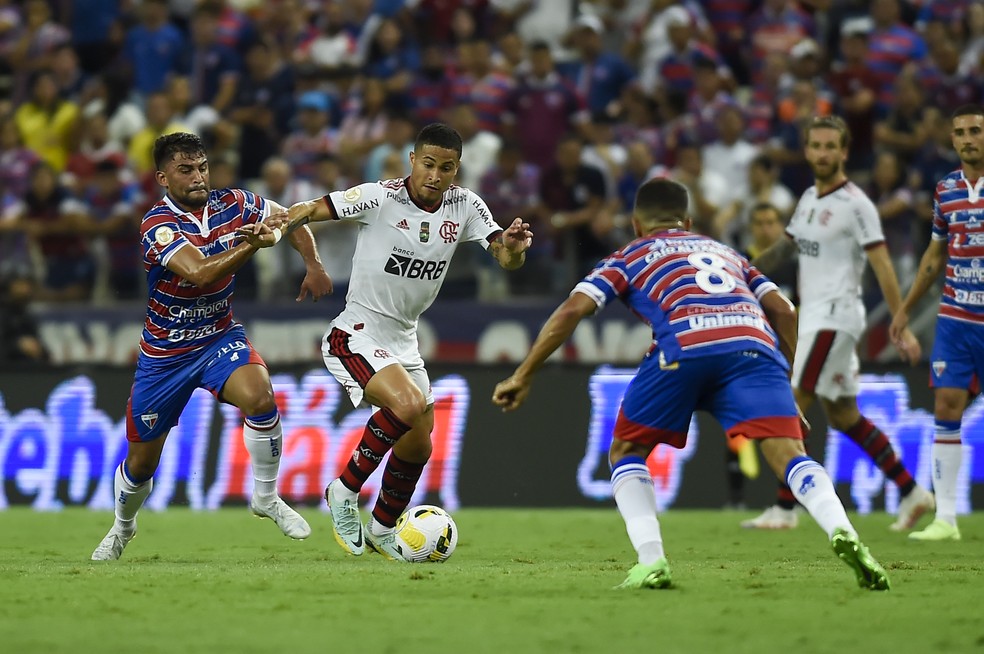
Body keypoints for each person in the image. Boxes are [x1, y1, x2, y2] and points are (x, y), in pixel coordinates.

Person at [491, 177, 889, 591]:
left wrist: (524, 373)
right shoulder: (726, 252)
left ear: (636, 224)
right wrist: (786, 386)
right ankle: (843, 529)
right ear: (688, 220)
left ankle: (652, 560)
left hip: (684, 347)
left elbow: (574, 309)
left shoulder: (630, 254)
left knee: (627, 450)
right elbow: (785, 312)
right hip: (753, 347)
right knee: (789, 453)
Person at [281, 123, 533, 560]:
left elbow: (505, 257)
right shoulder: (380, 197)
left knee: (419, 442)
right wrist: (281, 220)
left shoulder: (466, 205)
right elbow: (313, 208)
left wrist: (513, 247)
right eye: (429, 164)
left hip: (404, 339)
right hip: (355, 332)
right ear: (412, 160)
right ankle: (343, 491)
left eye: (447, 168)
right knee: (410, 405)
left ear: (457, 169)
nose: (435, 175)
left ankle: (381, 528)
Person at [90, 132, 332, 561]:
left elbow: (290, 217)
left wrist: (312, 263)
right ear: (163, 177)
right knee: (142, 466)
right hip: (165, 356)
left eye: (202, 167)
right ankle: (122, 527)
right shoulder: (156, 225)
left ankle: (266, 497)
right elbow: (200, 273)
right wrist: (250, 244)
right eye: (186, 170)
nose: (198, 177)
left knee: (260, 394)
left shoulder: (235, 203)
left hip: (218, 336)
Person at [746, 115, 933, 531]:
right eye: (816, 146)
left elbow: (882, 263)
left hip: (836, 318)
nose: (823, 153)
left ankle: (785, 508)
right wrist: (740, 272)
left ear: (844, 152)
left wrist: (899, 318)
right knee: (845, 415)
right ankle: (913, 492)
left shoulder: (856, 204)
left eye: (832, 146)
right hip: (814, 317)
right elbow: (783, 250)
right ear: (808, 150)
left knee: (790, 402)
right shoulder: (809, 200)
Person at [889, 104, 984, 542]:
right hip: (955, 317)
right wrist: (906, 308)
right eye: (961, 131)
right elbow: (933, 256)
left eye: (976, 131)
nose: (968, 138)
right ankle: (946, 518)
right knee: (947, 406)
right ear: (952, 139)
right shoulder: (945, 189)